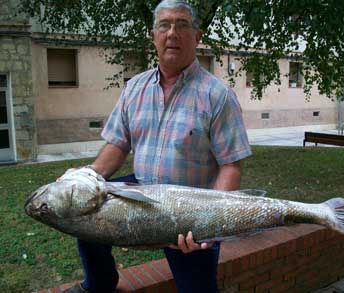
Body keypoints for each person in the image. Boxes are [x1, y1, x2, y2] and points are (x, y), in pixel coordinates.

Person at [63, 0, 252, 292]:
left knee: (197, 288)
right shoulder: (134, 88)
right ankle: (100, 284)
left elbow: (231, 164)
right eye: (164, 25)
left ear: (197, 36)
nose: (172, 33)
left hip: (191, 207)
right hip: (141, 189)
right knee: (88, 216)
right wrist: (86, 176)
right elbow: (118, 143)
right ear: (153, 35)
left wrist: (212, 220)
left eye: (182, 24)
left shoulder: (217, 95)